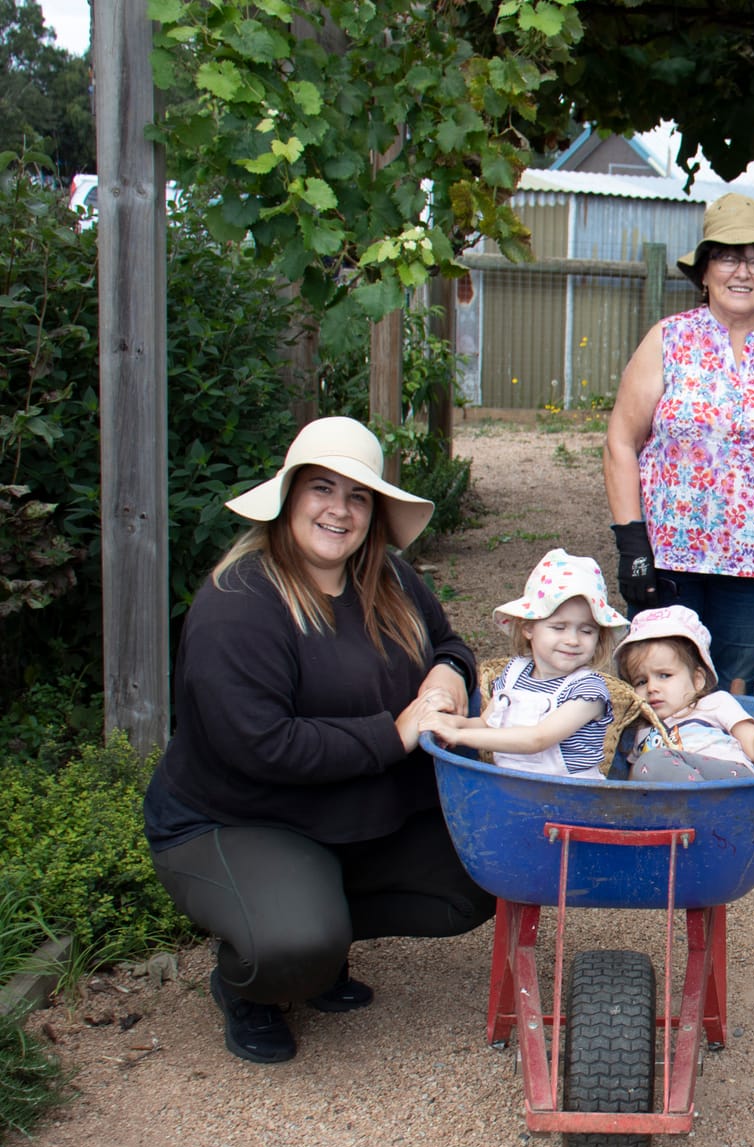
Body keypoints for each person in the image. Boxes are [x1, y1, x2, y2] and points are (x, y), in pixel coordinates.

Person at [143, 417, 495, 1065]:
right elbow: (261, 745)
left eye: (358, 496)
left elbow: (448, 643)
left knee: (480, 875)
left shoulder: (388, 576)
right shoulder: (239, 602)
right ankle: (253, 979)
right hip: (241, 819)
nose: (340, 509)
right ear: (289, 497)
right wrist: (394, 734)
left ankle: (316, 925)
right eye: (322, 488)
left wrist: (448, 675)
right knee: (293, 945)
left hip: (352, 812)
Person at [602, 191, 754, 696]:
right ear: (705, 271)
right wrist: (632, 545)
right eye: (728, 257)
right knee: (657, 689)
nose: (743, 272)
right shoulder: (668, 340)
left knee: (733, 693)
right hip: (668, 556)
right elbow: (621, 441)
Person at [423, 550, 627, 780]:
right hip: (513, 786)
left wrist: (459, 736)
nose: (572, 640)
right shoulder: (514, 673)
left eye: (587, 631)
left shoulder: (588, 690)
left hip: (569, 794)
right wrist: (454, 723)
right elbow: (486, 724)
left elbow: (538, 739)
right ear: (528, 628)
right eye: (559, 627)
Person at [614, 605, 754, 782]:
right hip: (674, 801)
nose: (651, 688)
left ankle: (704, 802)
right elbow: (635, 782)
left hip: (731, 782)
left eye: (665, 675)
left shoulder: (714, 703)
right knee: (645, 766)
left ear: (697, 679)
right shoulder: (642, 730)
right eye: (641, 681)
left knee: (652, 761)